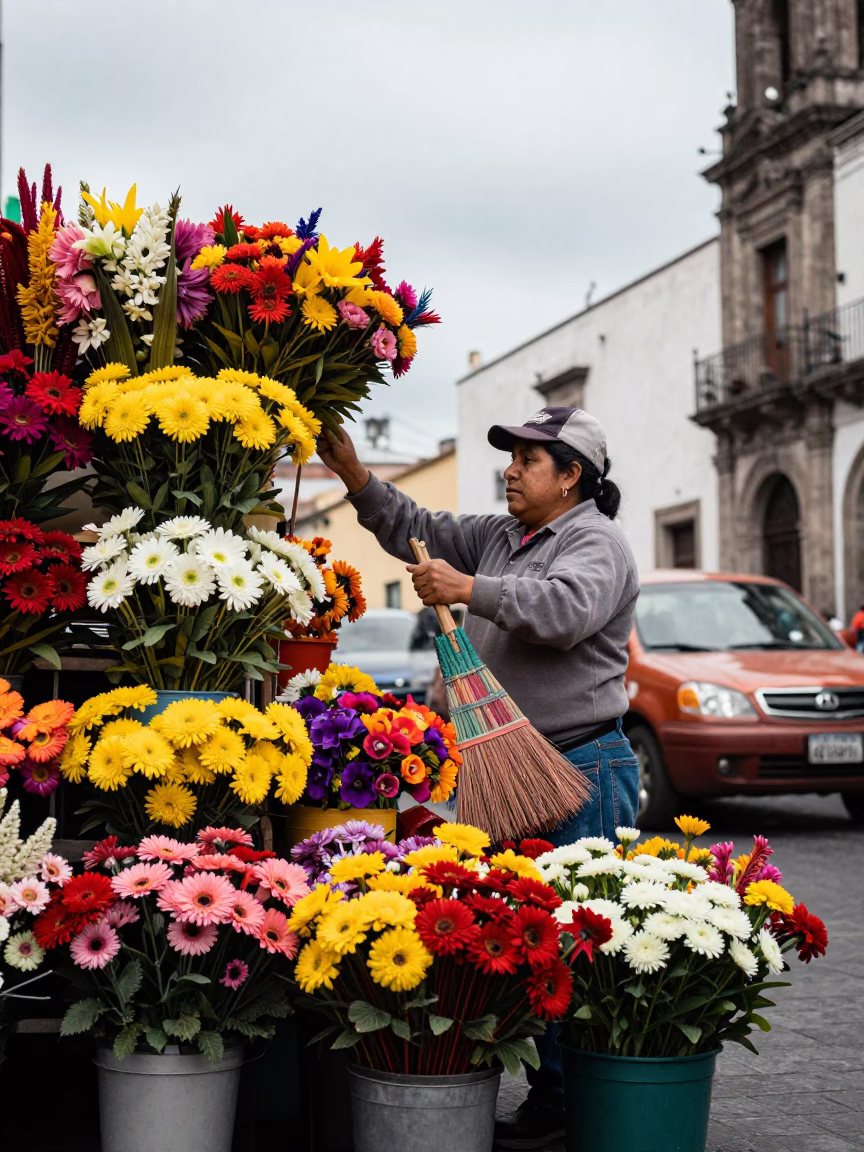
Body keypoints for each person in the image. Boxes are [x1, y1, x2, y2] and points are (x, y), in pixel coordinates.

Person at [318, 405, 641, 1150]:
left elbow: (565, 611)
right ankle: (539, 1094)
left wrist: (468, 588)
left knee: (572, 943)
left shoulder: (597, 541)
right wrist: (355, 474)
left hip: (583, 764)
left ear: (572, 476)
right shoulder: (502, 536)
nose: (511, 468)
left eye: (530, 459)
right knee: (511, 935)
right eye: (512, 456)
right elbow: (413, 526)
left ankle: (566, 1104)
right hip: (504, 769)